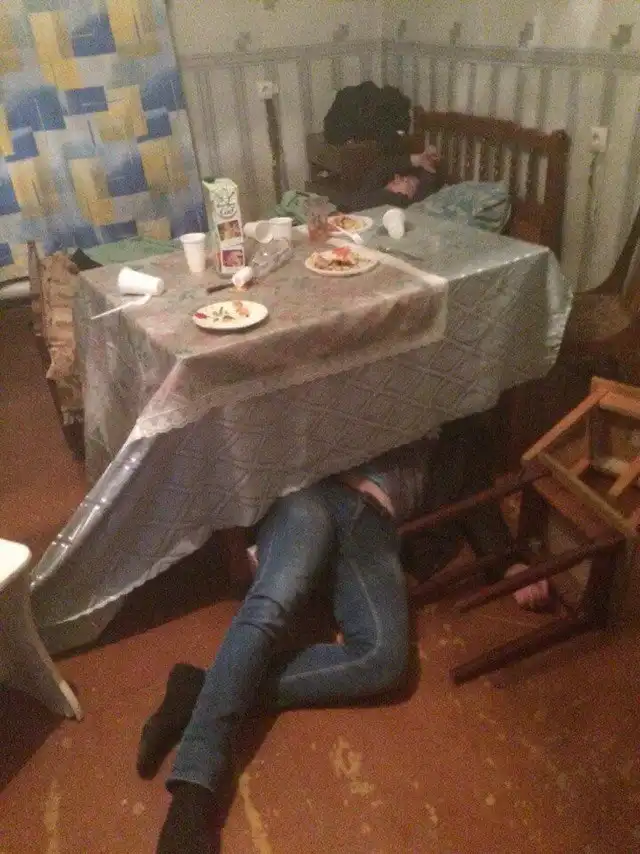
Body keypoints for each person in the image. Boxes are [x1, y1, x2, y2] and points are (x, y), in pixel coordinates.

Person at [140, 413, 541, 854]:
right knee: (272, 603)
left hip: (374, 527)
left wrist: (509, 562)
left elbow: (478, 496)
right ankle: (191, 797)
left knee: (382, 660)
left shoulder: (458, 419)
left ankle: (200, 690)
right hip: (313, 496)